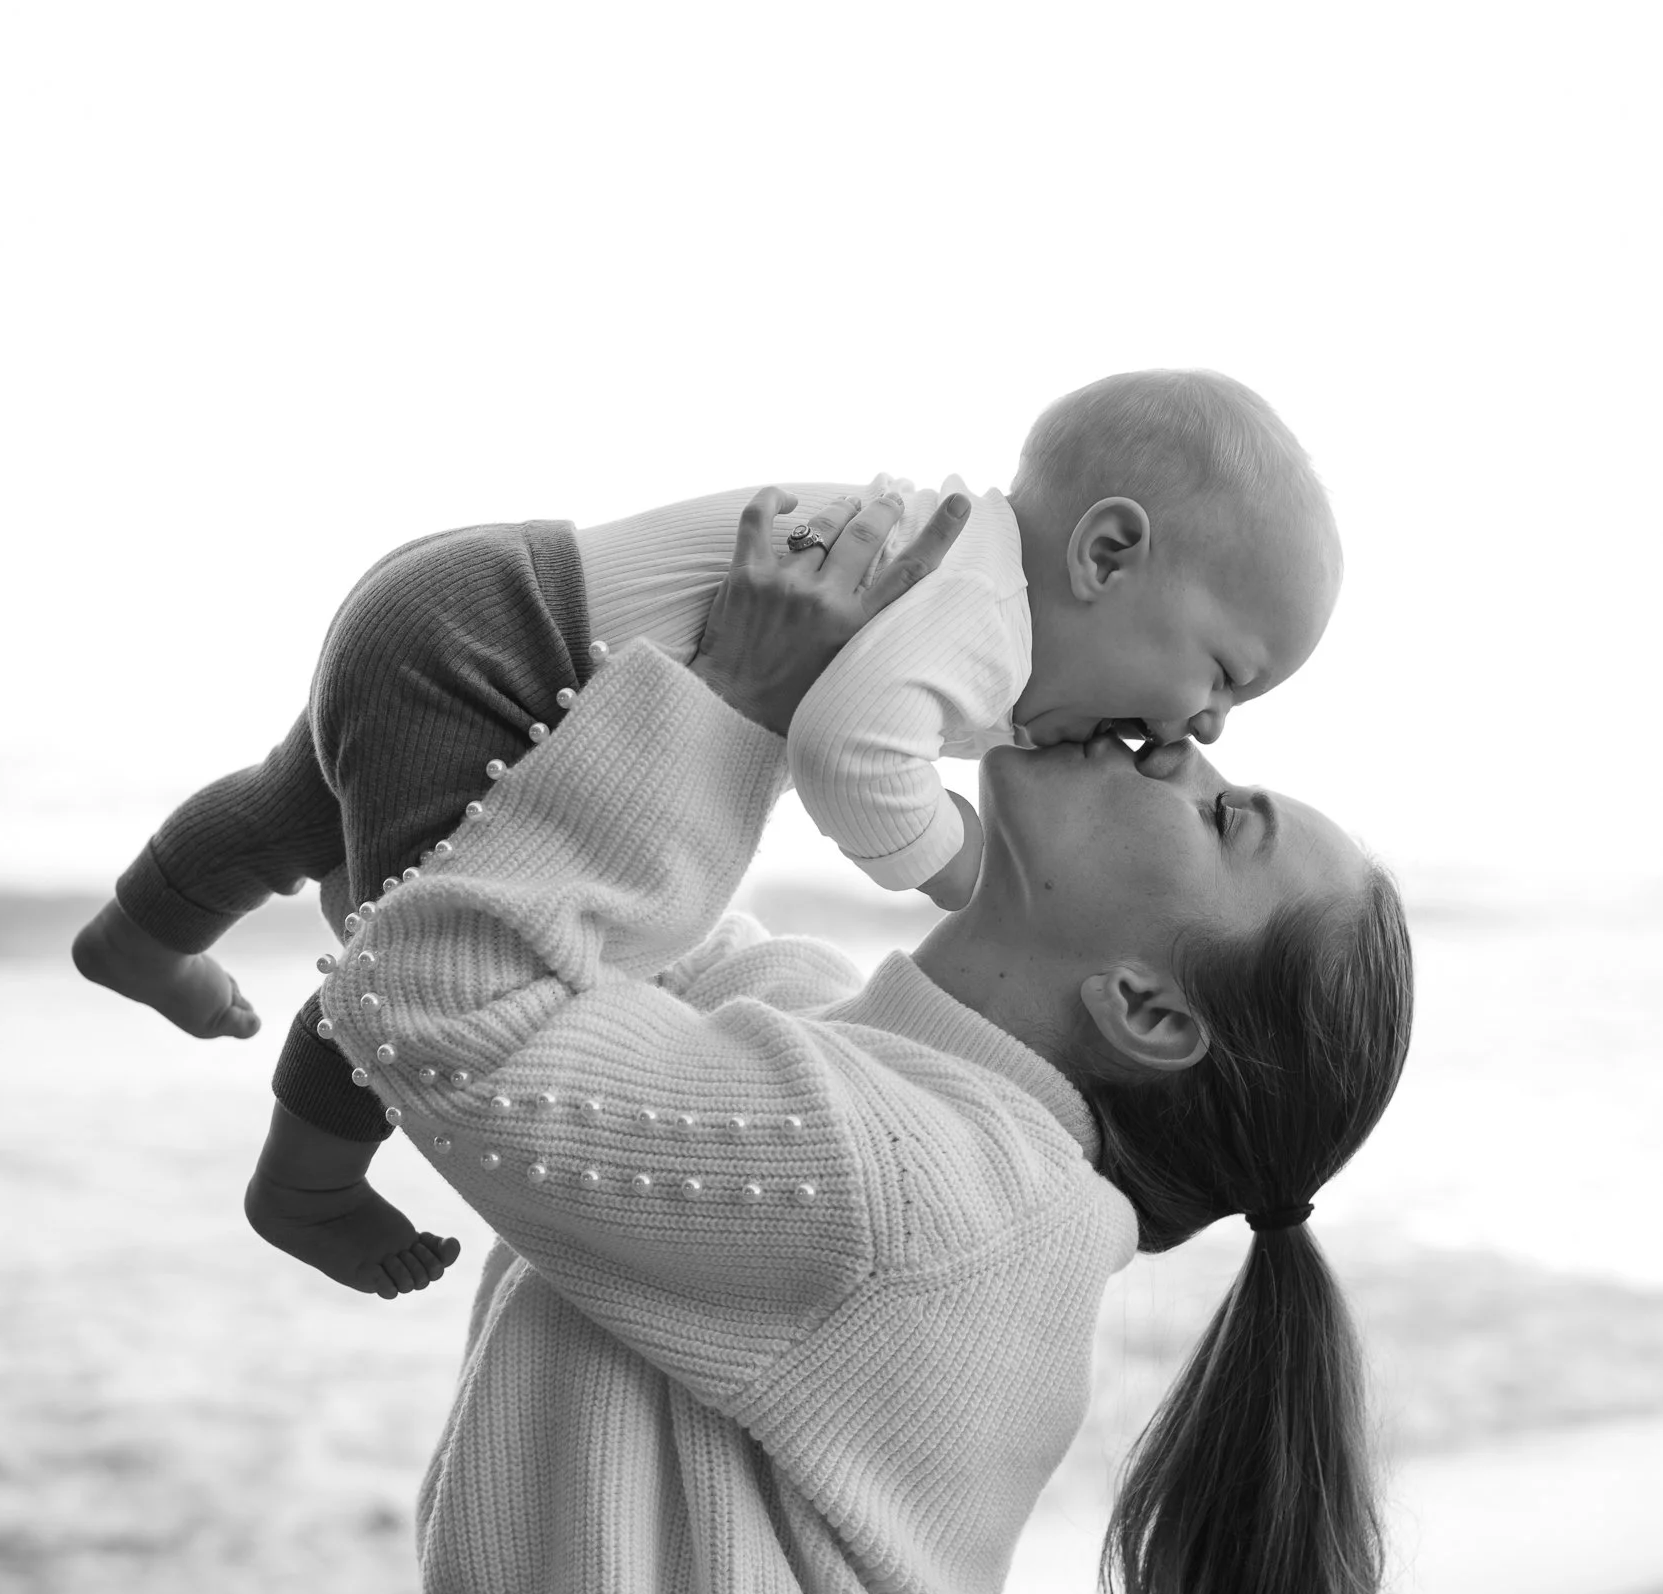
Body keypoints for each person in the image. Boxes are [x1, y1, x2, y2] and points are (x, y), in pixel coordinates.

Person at [309, 490, 1426, 1594]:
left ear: (1146, 1008)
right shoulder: (869, 1084)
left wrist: (736, 705)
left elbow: (444, 1006)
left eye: (1223, 811)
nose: (1176, 745)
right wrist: (632, 656)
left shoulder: (907, 1188)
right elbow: (511, 905)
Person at [69, 369, 1343, 1304]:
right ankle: (307, 1185)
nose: (1204, 728)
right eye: (1224, 673)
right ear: (1106, 553)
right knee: (408, 940)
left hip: (478, 591)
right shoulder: (981, 619)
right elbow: (851, 754)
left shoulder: (977, 582)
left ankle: (141, 932)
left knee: (289, 804)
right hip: (507, 662)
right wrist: (959, 865)